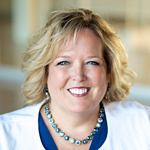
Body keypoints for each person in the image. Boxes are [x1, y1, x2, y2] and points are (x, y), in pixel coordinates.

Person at [0, 8, 150, 150]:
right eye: (64, 62)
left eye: (92, 62)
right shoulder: (5, 135)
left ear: (109, 72)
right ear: (44, 73)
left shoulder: (143, 124)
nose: (78, 76)